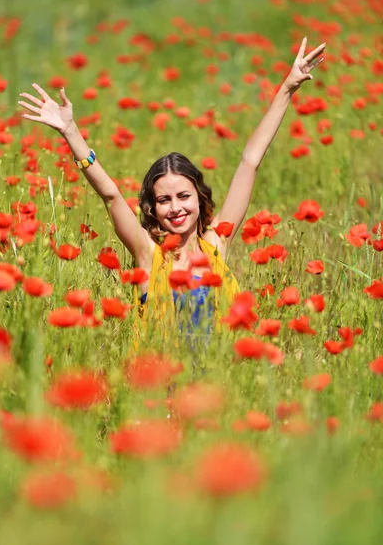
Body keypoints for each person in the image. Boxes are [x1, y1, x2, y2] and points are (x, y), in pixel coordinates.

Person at [18, 37, 326, 344]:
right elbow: (110, 194)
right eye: (164, 200)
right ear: (152, 208)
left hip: (216, 383)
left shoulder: (216, 243)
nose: (175, 208)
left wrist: (287, 89)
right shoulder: (148, 253)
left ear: (199, 197)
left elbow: (249, 162)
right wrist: (70, 132)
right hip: (160, 385)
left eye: (183, 196)